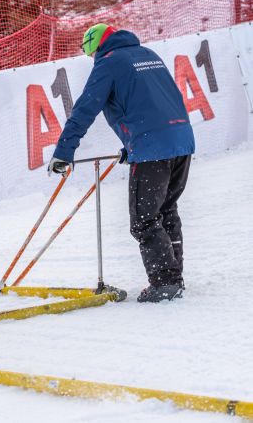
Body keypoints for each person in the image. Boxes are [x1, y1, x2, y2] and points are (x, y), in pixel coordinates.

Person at [48, 24, 195, 303]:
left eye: (90, 53)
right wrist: (132, 145)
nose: (92, 59)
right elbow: (155, 102)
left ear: (96, 46)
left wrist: (64, 151)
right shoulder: (147, 53)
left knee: (144, 219)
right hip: (181, 141)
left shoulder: (109, 62)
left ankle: (166, 281)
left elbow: (85, 108)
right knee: (165, 209)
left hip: (152, 147)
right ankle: (174, 274)